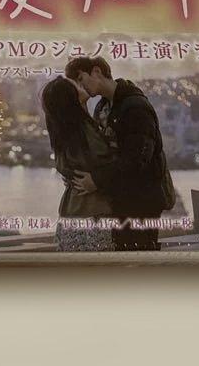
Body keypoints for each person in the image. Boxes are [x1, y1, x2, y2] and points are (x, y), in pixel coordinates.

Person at [65, 56, 176, 251]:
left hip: (141, 200)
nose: (81, 87)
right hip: (121, 197)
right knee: (124, 255)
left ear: (97, 71)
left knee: (138, 256)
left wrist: (97, 180)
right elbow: (100, 151)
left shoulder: (135, 107)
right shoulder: (103, 107)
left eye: (81, 79)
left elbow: (137, 159)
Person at [40, 75, 118, 252]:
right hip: (92, 214)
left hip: (71, 213)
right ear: (71, 97)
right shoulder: (83, 131)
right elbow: (106, 159)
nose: (79, 84)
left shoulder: (64, 131)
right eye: (74, 84)